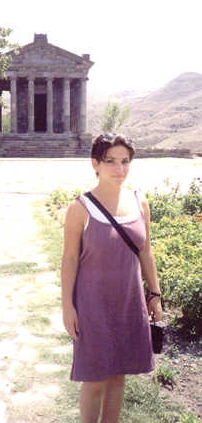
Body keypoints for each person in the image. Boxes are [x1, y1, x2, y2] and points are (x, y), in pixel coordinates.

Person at [61, 133, 163, 423]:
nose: (119, 169)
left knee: (119, 376)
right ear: (95, 163)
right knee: (95, 380)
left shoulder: (139, 202)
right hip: (92, 305)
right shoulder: (80, 208)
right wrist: (67, 307)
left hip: (129, 303)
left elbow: (145, 252)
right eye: (111, 162)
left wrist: (154, 295)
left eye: (125, 162)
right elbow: (69, 259)